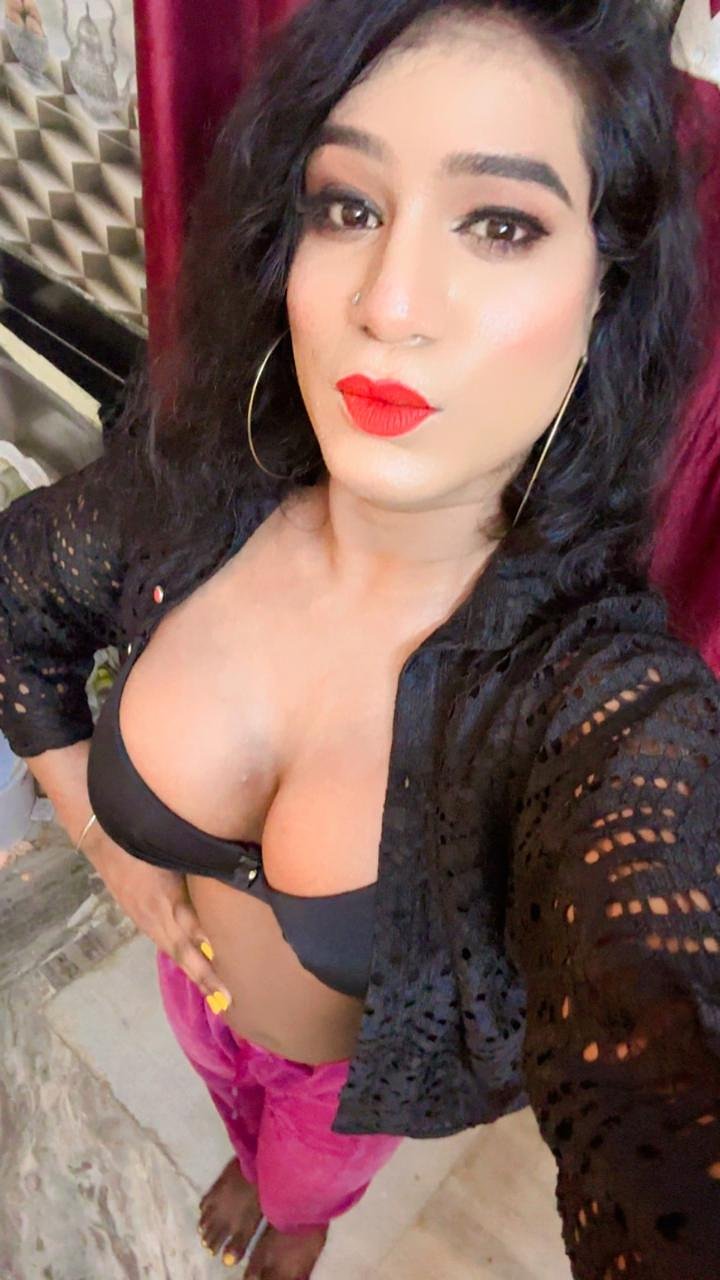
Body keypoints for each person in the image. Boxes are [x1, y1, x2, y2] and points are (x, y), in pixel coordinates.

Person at [1, 2, 719, 1277]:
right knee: (219, 1077)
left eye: (500, 225)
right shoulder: (190, 494)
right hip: (188, 990)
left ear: (604, 295)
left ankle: (302, 1214)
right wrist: (110, 844)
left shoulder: (598, 710)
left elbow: (665, 1056)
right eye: (348, 206)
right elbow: (17, 614)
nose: (388, 301)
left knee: (298, 1173)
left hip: (342, 1088)